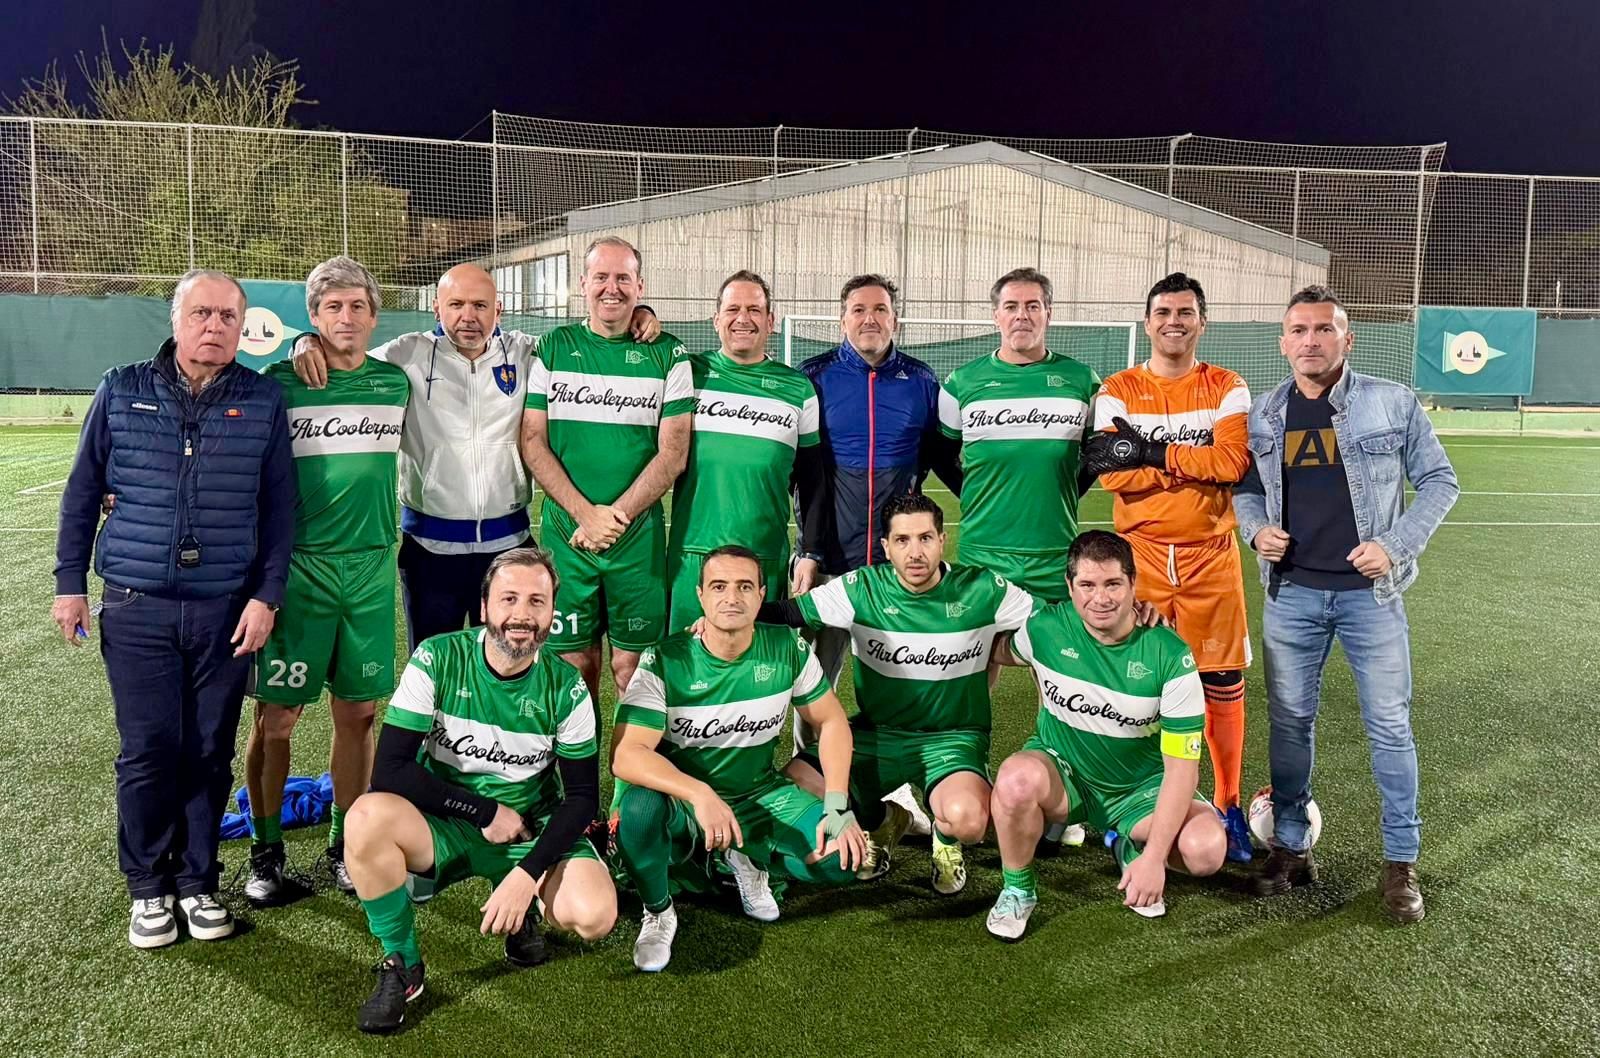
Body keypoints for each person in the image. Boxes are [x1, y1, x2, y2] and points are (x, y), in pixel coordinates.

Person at [52, 268, 295, 949]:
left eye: (227, 317)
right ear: (177, 318)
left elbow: (280, 513)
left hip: (225, 609)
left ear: (242, 327)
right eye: (202, 314)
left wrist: (266, 596)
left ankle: (197, 881)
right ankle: (148, 886)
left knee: (211, 750)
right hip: (135, 604)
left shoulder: (263, 399)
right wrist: (69, 583)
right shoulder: (122, 388)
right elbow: (81, 494)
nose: (214, 327)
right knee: (150, 749)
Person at [1233, 285, 1458, 924]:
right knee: (1289, 726)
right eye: (1299, 330)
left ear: (1346, 338)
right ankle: (1292, 846)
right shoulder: (1266, 415)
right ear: (1283, 342)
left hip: (1371, 598)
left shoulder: (1392, 402)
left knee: (1389, 726)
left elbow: (1442, 480)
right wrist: (1256, 530)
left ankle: (1400, 862)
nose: (1311, 340)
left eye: (1324, 329)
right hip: (1292, 594)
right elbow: (1246, 491)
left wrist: (1394, 543)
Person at [291, 264, 658, 650]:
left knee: (511, 664)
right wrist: (304, 341)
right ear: (437, 308)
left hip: (510, 546)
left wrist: (639, 313)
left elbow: (587, 339)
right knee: (434, 670)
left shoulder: (526, 352)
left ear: (498, 310)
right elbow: (345, 357)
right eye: (457, 304)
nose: (469, 316)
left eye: (481, 305)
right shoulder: (406, 354)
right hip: (429, 552)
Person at [343, 547, 616, 1033]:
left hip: (528, 829)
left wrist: (528, 873)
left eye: (537, 601)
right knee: (365, 818)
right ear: (485, 607)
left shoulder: (567, 687)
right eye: (509, 598)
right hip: (447, 822)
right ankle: (402, 964)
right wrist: (484, 811)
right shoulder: (437, 658)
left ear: (553, 614)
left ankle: (522, 906)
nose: (523, 615)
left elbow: (582, 799)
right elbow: (389, 771)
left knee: (595, 915)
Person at [611, 546, 868, 972]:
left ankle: (743, 857)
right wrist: (700, 793)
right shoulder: (667, 658)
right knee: (639, 809)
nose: (732, 597)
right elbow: (626, 755)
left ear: (762, 593)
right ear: (700, 595)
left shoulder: (786, 647)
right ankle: (659, 910)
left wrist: (837, 804)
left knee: (842, 860)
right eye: (719, 586)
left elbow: (832, 723)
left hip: (757, 794)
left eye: (744, 586)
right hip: (685, 803)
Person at [762, 492, 1034, 895]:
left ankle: (946, 839)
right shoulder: (861, 589)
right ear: (886, 547)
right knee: (796, 788)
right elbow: (788, 614)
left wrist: (1130, 615)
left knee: (968, 819)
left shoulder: (981, 589)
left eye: (926, 538)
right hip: (878, 734)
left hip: (952, 739)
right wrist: (722, 615)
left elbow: (1055, 623)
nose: (916, 552)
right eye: (903, 541)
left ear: (943, 540)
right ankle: (885, 820)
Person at [244, 256, 409, 904]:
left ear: (374, 316)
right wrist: (296, 345)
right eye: (332, 308)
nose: (346, 318)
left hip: (371, 569)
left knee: (360, 715)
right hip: (302, 570)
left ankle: (347, 844)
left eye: (357, 307)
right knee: (277, 719)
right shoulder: (278, 382)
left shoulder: (395, 382)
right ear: (313, 316)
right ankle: (266, 851)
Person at [1079, 273, 1256, 860]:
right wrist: (1189, 462)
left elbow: (1232, 463)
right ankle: (1122, 806)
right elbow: (1110, 471)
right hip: (1142, 561)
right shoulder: (1118, 387)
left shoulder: (1227, 385)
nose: (1173, 321)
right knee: (1132, 685)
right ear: (1148, 321)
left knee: (1220, 683)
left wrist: (1151, 452)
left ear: (1201, 322)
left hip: (1211, 558)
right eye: (1162, 312)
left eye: (1185, 312)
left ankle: (1228, 805)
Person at [986, 531, 1225, 940]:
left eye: (1113, 584)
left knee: (1206, 851)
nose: (1101, 598)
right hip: (1065, 777)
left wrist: (1153, 859)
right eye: (1088, 585)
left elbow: (1183, 771)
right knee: (1014, 780)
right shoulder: (1045, 628)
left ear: (1134, 584)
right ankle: (1018, 890)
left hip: (1139, 790)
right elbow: (992, 649)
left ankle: (1128, 845)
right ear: (1070, 586)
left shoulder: (1170, 654)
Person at [791, 274, 964, 835]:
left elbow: (944, 460)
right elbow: (804, 475)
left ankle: (903, 798)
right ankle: (821, 789)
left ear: (895, 318)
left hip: (898, 574)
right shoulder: (813, 378)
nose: (871, 318)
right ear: (842, 318)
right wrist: (810, 550)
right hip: (832, 564)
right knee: (814, 686)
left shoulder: (920, 380)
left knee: (897, 690)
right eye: (859, 309)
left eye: (881, 310)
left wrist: (993, 500)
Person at [519, 236, 690, 712]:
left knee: (633, 669)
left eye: (622, 278)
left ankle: (631, 786)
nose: (610, 288)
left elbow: (673, 453)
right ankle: (579, 787)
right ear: (582, 284)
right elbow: (533, 440)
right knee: (576, 666)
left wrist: (614, 517)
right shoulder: (554, 347)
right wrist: (583, 515)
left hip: (637, 540)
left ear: (640, 286)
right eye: (601, 277)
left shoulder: (668, 354)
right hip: (567, 535)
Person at [664, 271, 830, 634]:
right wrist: (643, 311)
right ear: (716, 319)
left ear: (771, 321)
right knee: (687, 671)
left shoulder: (798, 388)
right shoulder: (687, 373)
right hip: (693, 556)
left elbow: (813, 480)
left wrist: (811, 552)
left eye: (754, 309)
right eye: (733, 308)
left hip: (764, 558)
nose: (743, 318)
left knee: (760, 672)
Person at [937, 268, 1099, 600]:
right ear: (996, 315)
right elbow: (941, 454)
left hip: (1055, 554)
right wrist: (974, 494)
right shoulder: (961, 383)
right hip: (982, 553)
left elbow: (1097, 457)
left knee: (1054, 652)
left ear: (1048, 314)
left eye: (1032, 306)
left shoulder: (1083, 381)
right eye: (1011, 306)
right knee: (982, 652)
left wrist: (1062, 490)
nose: (1021, 316)